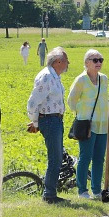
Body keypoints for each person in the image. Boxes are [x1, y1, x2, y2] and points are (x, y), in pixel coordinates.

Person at [27, 47, 70, 203]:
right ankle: (49, 195)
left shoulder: (54, 77)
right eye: (66, 61)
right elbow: (32, 103)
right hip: (50, 120)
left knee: (56, 158)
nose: (68, 64)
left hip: (55, 120)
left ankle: (50, 192)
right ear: (58, 61)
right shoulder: (47, 77)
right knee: (55, 158)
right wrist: (36, 122)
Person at [67, 49, 109, 199]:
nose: (98, 62)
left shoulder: (104, 79)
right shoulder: (81, 80)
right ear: (86, 63)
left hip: (103, 124)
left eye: (101, 60)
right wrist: (80, 115)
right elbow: (71, 101)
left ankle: (97, 190)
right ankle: (82, 190)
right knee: (85, 157)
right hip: (87, 125)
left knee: (99, 158)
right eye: (95, 60)